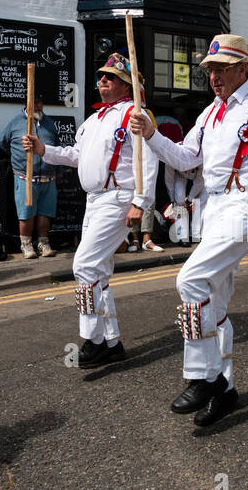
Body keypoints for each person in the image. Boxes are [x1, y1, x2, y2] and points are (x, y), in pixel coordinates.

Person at [130, 34, 248, 426]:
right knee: (214, 303)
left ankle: (202, 375)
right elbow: (187, 159)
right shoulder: (209, 114)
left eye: (221, 69)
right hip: (216, 206)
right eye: (209, 70)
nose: (213, 77)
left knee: (190, 281)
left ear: (243, 68)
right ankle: (225, 385)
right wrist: (152, 135)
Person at [24, 53, 159, 368]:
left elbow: (148, 160)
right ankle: (111, 342)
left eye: (109, 77)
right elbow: (75, 156)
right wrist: (43, 150)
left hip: (118, 197)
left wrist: (141, 202)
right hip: (95, 200)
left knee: (83, 265)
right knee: (98, 272)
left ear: (126, 85)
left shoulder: (136, 115)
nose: (102, 81)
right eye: (101, 76)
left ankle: (93, 340)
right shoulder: (93, 121)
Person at [0, 103, 59, 258]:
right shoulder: (15, 122)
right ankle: (26, 245)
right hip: (25, 177)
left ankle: (43, 244)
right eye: (34, 102)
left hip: (48, 177)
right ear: (26, 102)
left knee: (45, 213)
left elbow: (57, 146)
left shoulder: (49, 123)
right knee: (26, 214)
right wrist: (18, 157)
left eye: (40, 102)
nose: (37, 106)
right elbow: (1, 143)